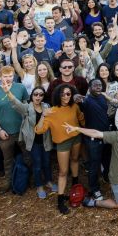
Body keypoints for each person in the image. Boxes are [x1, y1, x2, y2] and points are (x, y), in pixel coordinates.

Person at [35, 84, 85, 214]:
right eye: (62, 94)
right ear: (58, 95)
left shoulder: (74, 106)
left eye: (68, 94)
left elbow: (81, 119)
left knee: (75, 160)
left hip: (76, 139)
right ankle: (60, 200)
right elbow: (39, 130)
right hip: (62, 143)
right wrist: (43, 115)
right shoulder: (52, 111)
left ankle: (75, 186)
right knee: (63, 171)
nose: (66, 97)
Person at [7, 86, 55, 199]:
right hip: (33, 142)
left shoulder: (46, 106)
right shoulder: (27, 108)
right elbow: (16, 103)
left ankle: (48, 181)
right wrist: (8, 92)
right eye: (35, 94)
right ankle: (39, 186)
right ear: (32, 96)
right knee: (37, 164)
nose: (38, 97)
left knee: (47, 162)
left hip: (46, 140)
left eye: (41, 94)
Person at [0, 65, 29, 193]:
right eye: (5, 76)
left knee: (28, 156)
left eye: (10, 76)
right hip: (4, 133)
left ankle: (29, 179)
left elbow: (26, 107)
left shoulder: (20, 88)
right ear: (0, 77)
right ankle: (8, 182)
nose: (8, 79)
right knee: (7, 159)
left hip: (22, 131)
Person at [75, 78, 112, 201]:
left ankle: (107, 178)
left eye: (100, 85)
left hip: (106, 136)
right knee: (94, 165)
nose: (98, 87)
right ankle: (94, 189)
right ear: (89, 88)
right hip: (93, 139)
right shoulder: (85, 100)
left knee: (107, 160)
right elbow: (76, 99)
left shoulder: (103, 98)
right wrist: (76, 97)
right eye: (95, 85)